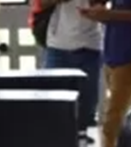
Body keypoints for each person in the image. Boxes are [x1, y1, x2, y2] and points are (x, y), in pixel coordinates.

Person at [79, 0, 131, 147]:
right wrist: (99, 15)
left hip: (128, 56)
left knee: (111, 120)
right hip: (112, 53)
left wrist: (108, 15)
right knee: (120, 119)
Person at [41, 0, 103, 129]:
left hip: (89, 46)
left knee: (86, 110)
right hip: (57, 46)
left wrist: (97, 8)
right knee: (53, 108)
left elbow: (103, 5)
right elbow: (40, 3)